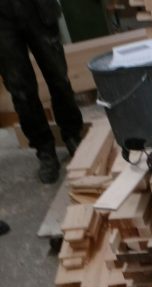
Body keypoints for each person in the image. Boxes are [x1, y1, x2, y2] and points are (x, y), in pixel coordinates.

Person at [0, 0, 83, 183]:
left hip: (37, 8)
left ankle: (72, 136)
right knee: (21, 91)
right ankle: (45, 151)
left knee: (59, 78)